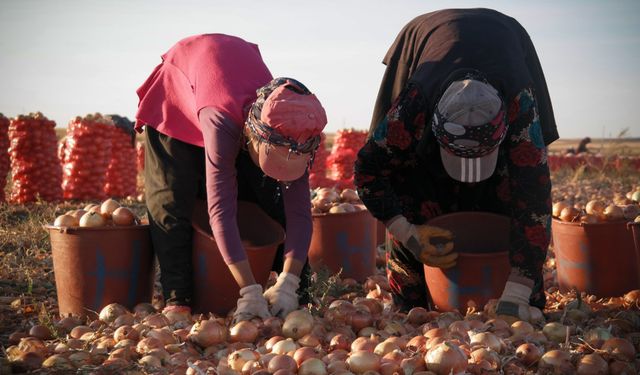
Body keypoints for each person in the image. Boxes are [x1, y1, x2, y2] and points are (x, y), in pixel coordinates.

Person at [355, 8, 558, 322]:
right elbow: (369, 171)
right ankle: (411, 303)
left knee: (509, 194)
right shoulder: (413, 108)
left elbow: (535, 199)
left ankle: (517, 293)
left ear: (503, 130)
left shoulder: (520, 108)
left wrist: (519, 289)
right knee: (409, 181)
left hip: (508, 43)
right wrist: (407, 231)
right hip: (427, 40)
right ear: (432, 128)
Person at [134, 34, 327, 323]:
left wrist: (290, 282)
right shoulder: (222, 121)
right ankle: (179, 297)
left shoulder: (298, 130)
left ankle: (293, 293)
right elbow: (220, 212)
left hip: (232, 80)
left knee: (267, 194)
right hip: (181, 85)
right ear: (252, 136)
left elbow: (299, 213)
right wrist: (250, 290)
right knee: (171, 197)